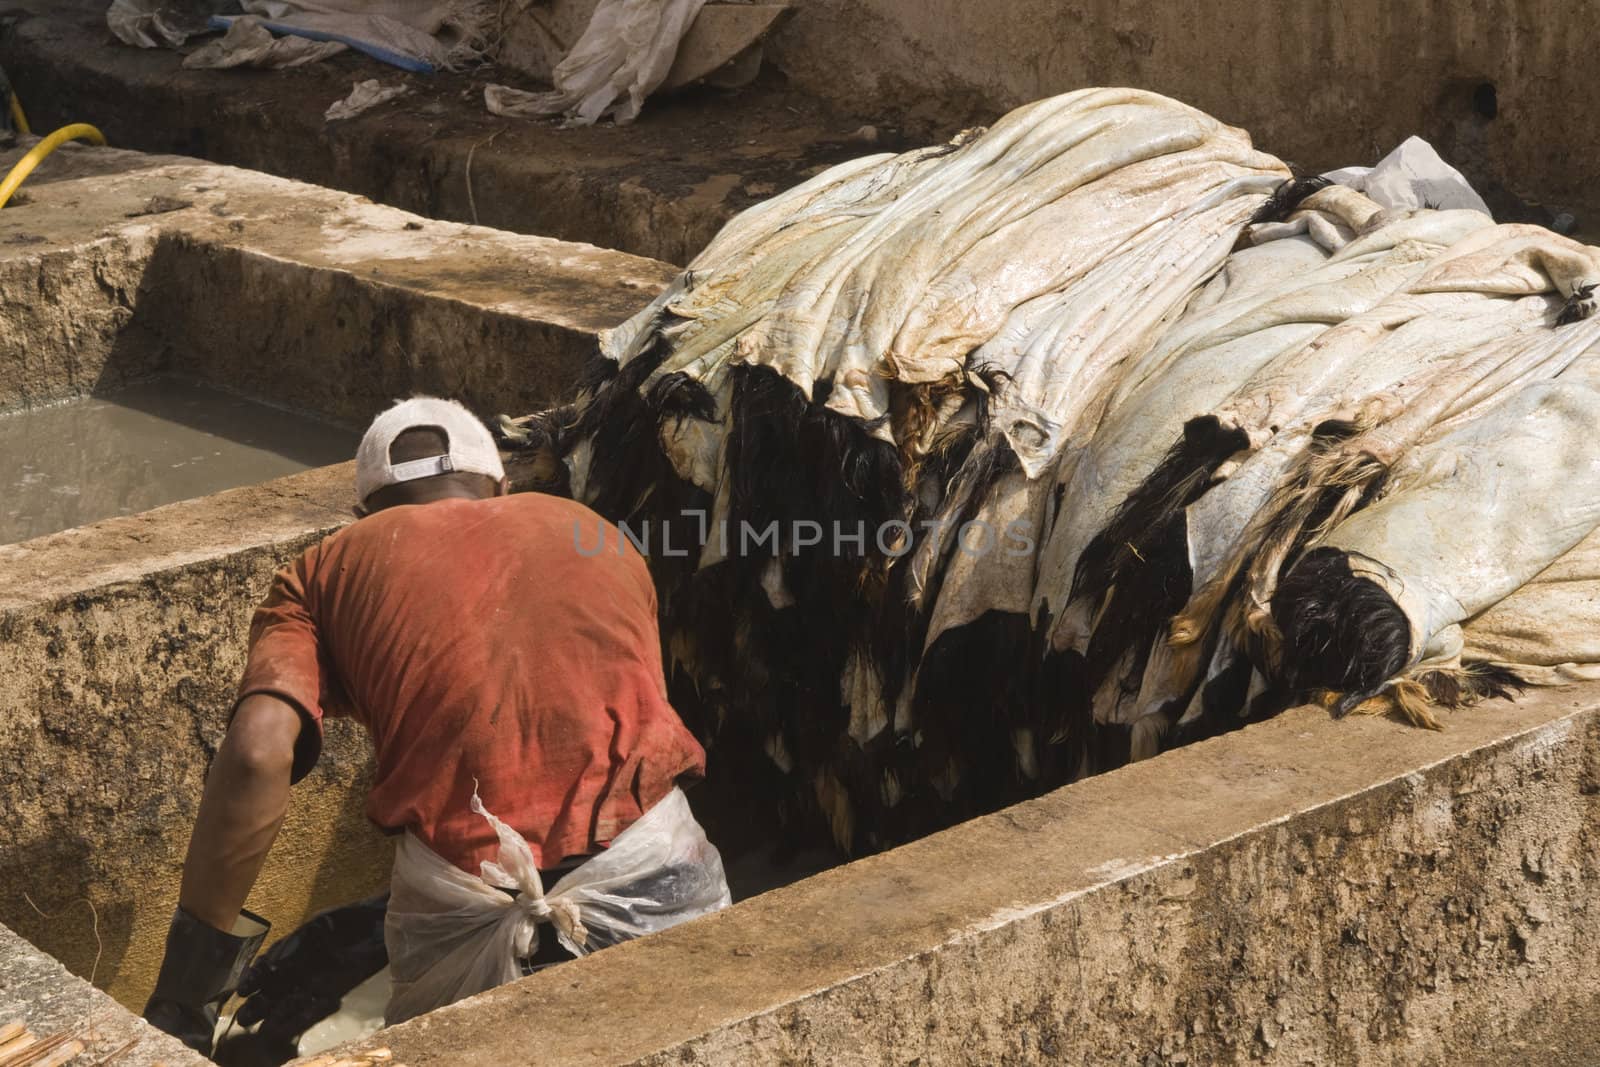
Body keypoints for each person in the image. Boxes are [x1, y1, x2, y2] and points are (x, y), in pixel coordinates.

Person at [144, 397, 726, 1054]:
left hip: (466, 901)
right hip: (658, 873)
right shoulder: (593, 531)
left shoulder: (325, 569)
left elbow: (255, 754)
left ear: (364, 513)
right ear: (500, 486)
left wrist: (185, 998)